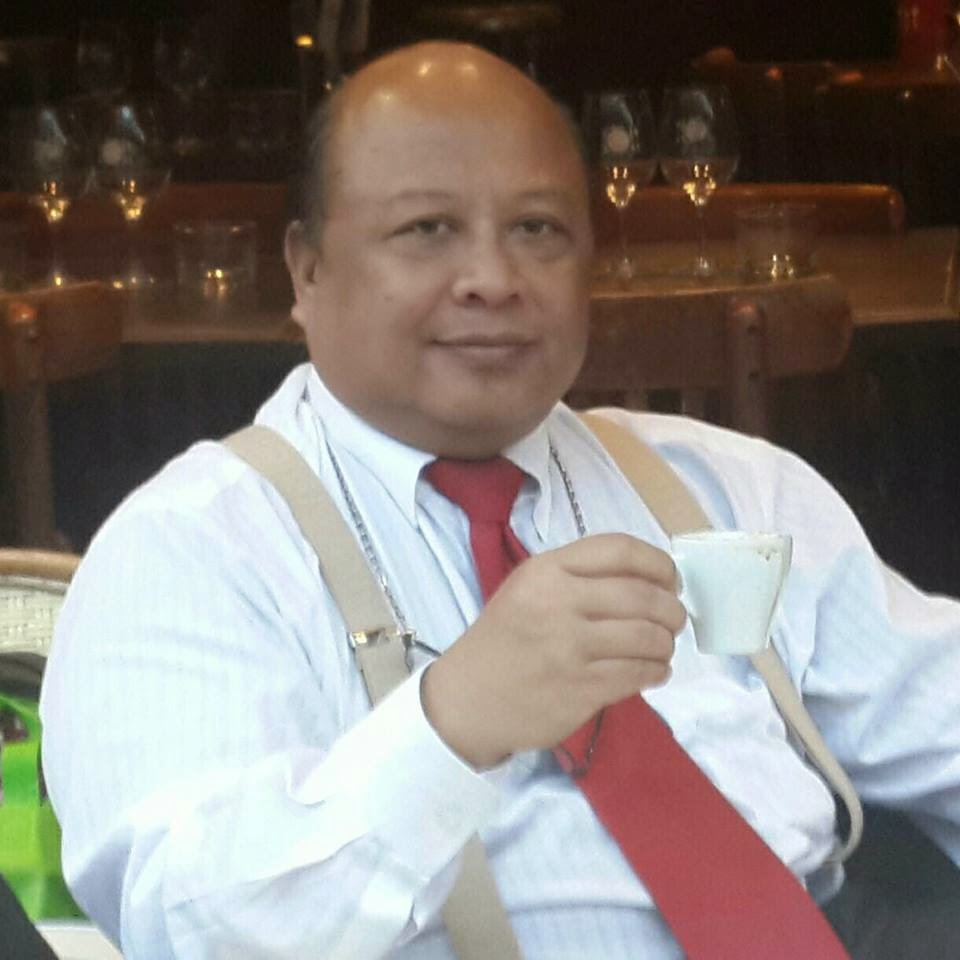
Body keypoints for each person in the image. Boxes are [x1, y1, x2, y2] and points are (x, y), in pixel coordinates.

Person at [39, 41, 960, 960]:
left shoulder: (727, 489)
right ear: (306, 269)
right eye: (427, 229)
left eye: (538, 229)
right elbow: (192, 930)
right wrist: (447, 726)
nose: (494, 277)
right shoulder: (193, 550)